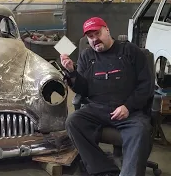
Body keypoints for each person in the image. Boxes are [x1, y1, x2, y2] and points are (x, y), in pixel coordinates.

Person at [60, 17, 155, 176]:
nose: (95, 39)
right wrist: (71, 72)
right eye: (90, 37)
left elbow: (146, 85)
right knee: (73, 122)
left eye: (98, 33)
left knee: (140, 131)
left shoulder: (130, 51)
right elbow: (83, 90)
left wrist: (128, 107)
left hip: (129, 112)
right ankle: (104, 170)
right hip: (97, 109)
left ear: (107, 30)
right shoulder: (86, 56)